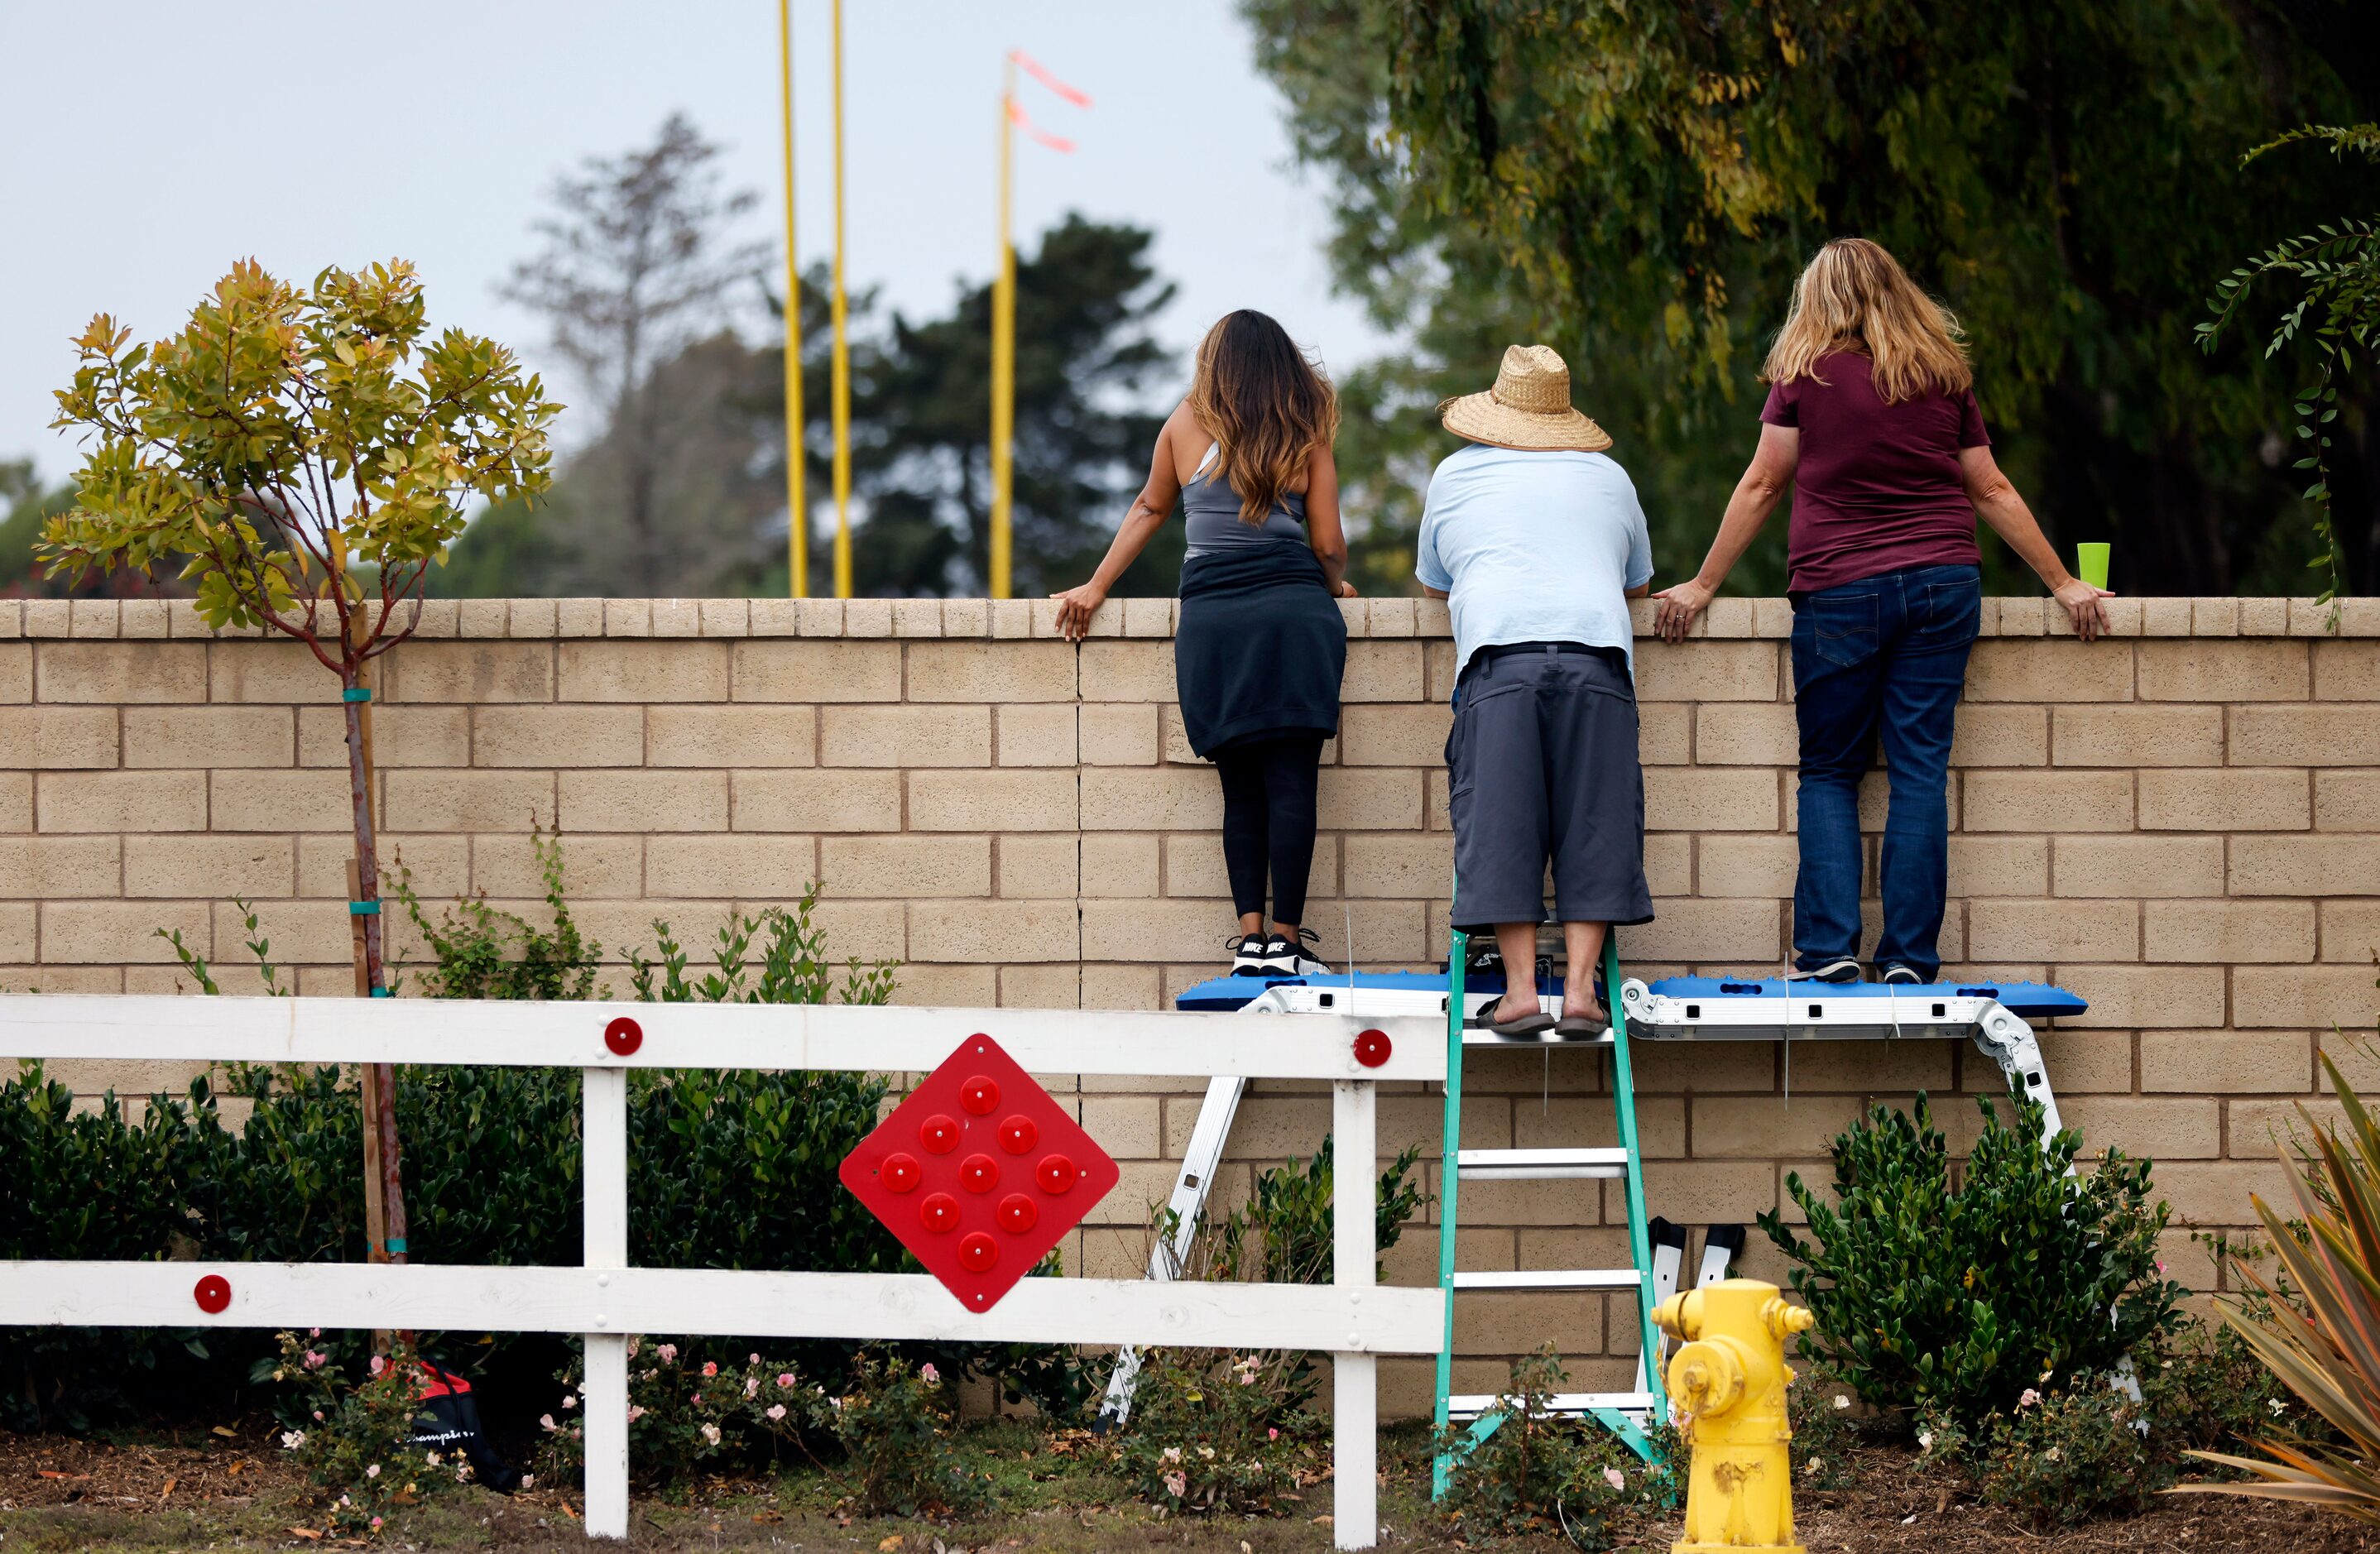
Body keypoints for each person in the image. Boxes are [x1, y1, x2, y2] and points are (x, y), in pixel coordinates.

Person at [1653, 237, 2114, 985]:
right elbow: (1990, 488)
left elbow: (1766, 484)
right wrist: (2063, 583)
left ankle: (1830, 949)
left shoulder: (1801, 376)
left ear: (1820, 299)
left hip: (1838, 590)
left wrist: (1704, 585)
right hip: (1941, 585)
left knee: (1830, 770)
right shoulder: (1943, 374)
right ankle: (1908, 959)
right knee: (1919, 771)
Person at [1054, 310, 1356, 979]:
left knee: (1240, 789)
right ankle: (1287, 941)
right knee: (1292, 784)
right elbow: (1329, 545)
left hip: (1214, 622)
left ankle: (1249, 940)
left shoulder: (1184, 423)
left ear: (1214, 361)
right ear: (1283, 365)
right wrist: (1331, 584)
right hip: (1293, 618)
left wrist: (1096, 587)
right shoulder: (1304, 431)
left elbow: (1149, 509)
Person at [1418, 344, 1654, 1038]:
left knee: (1501, 821)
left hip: (1501, 658)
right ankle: (1581, 992)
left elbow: (1437, 583)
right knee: (1598, 820)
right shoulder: (1610, 478)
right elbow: (1635, 581)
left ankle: (1521, 993)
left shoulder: (1455, 476)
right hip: (1596, 657)